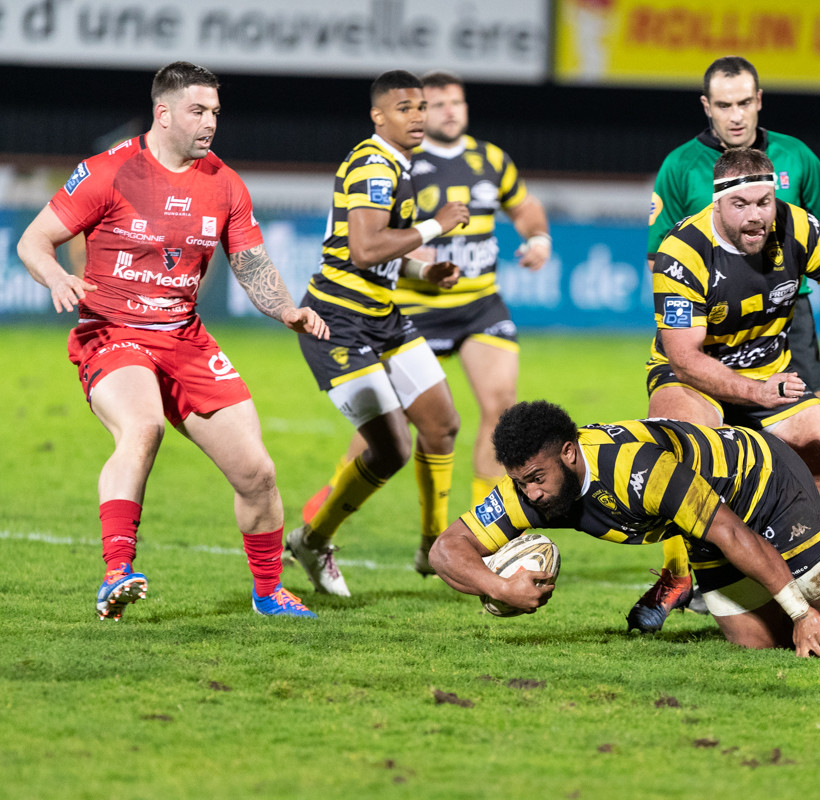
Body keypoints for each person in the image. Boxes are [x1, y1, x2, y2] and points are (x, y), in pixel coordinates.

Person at [16, 61, 328, 619]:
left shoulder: (225, 183)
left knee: (258, 473)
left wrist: (287, 310)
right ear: (163, 113)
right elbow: (34, 241)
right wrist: (56, 276)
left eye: (215, 112)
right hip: (113, 333)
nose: (210, 123)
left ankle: (268, 593)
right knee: (143, 427)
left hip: (185, 338)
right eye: (197, 111)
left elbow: (252, 262)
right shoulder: (109, 172)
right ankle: (117, 573)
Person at [637, 56, 820, 630]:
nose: (757, 215)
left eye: (765, 203)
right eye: (724, 104)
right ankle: (689, 572)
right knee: (685, 446)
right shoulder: (682, 206)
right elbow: (681, 346)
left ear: (759, 101)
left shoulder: (797, 182)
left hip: (780, 337)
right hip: (699, 355)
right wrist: (755, 390)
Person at [428, 401, 820, 657]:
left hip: (760, 483)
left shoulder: (638, 469)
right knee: (756, 642)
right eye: (521, 482)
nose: (530, 494)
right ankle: (819, 586)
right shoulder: (533, 490)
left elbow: (733, 535)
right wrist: (498, 587)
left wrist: (800, 612)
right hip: (701, 522)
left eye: (536, 479)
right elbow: (446, 550)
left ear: (569, 453)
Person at [287, 70, 471, 596]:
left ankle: (434, 545)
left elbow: (375, 253)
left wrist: (422, 271)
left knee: (441, 424)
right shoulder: (373, 163)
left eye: (422, 107)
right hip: (338, 322)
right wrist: (436, 225)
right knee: (390, 449)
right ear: (378, 116)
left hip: (382, 315)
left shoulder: (396, 164)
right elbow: (366, 248)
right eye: (404, 108)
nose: (418, 117)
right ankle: (312, 540)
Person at [402, 70, 551, 507]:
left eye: (457, 102)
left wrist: (538, 238)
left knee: (502, 406)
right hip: (414, 310)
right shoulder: (402, 163)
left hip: (480, 305)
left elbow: (524, 206)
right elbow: (375, 239)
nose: (450, 111)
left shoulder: (491, 159)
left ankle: (485, 523)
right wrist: (417, 263)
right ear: (420, 112)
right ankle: (322, 517)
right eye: (439, 104)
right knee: (390, 428)